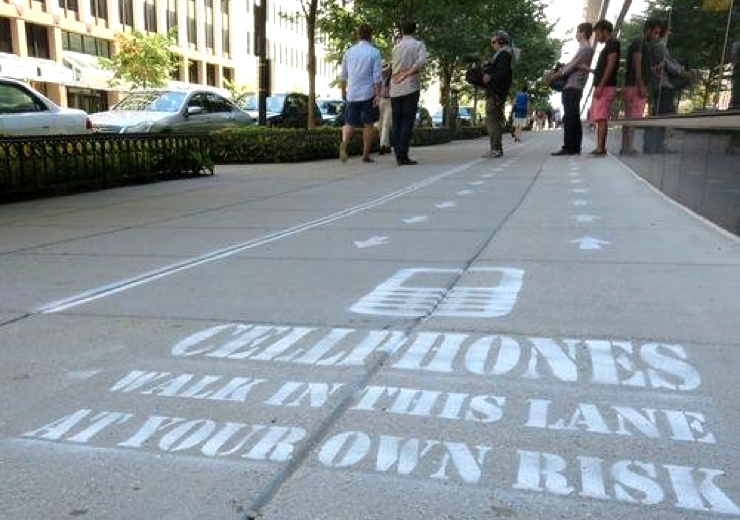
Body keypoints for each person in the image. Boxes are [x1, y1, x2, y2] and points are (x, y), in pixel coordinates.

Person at [643, 23, 692, 154]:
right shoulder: (659, 46)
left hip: (660, 84)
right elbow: (668, 64)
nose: (670, 33)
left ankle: (655, 145)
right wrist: (684, 73)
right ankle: (655, 146)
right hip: (663, 84)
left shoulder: (657, 46)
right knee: (661, 115)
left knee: (659, 114)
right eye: (669, 31)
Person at [547, 22, 594, 156]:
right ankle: (574, 147)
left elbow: (569, 67)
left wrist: (552, 76)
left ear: (583, 33)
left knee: (569, 117)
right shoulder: (586, 48)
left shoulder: (585, 48)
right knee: (573, 116)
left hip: (573, 86)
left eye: (577, 32)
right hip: (575, 86)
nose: (576, 34)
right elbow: (573, 66)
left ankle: (569, 147)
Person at [339, 24, 383, 164]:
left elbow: (343, 75)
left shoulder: (349, 52)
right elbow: (377, 77)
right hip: (368, 94)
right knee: (368, 125)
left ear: (358, 35)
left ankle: (345, 142)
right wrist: (378, 94)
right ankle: (365, 155)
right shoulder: (374, 52)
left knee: (349, 123)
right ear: (371, 35)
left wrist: (343, 92)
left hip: (352, 93)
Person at [620, 18, 662, 155]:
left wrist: (652, 69)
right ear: (648, 29)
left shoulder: (641, 44)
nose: (656, 36)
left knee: (629, 118)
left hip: (632, 85)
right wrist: (642, 85)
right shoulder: (640, 44)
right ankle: (629, 147)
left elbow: (640, 66)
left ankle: (625, 147)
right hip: (635, 87)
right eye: (655, 32)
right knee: (633, 118)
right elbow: (637, 65)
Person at [390, 20, 427, 166]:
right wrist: (409, 72)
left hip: (395, 87)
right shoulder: (418, 45)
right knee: (407, 121)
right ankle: (403, 155)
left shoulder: (396, 47)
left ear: (401, 31)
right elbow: (421, 61)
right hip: (411, 87)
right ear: (415, 30)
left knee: (396, 122)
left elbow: (393, 66)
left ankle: (398, 153)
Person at [587, 19, 620, 157]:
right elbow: (604, 68)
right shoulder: (609, 45)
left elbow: (610, 65)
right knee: (600, 118)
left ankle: (600, 148)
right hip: (604, 85)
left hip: (606, 87)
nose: (597, 37)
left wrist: (600, 86)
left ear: (604, 30)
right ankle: (600, 147)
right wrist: (590, 70)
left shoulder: (613, 44)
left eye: (597, 33)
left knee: (601, 118)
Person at [481, 30, 515, 158]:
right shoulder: (502, 54)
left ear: (501, 41)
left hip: (497, 91)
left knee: (493, 119)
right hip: (498, 91)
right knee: (493, 118)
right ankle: (495, 148)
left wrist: (490, 76)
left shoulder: (504, 54)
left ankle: (496, 149)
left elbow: (504, 73)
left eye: (494, 41)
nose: (492, 44)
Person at [377, 61, 393, 155]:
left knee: (386, 124)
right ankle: (387, 145)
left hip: (390, 101)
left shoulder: (393, 76)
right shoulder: (381, 76)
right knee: (379, 125)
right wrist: (388, 67)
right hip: (380, 100)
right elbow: (379, 71)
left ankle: (382, 145)